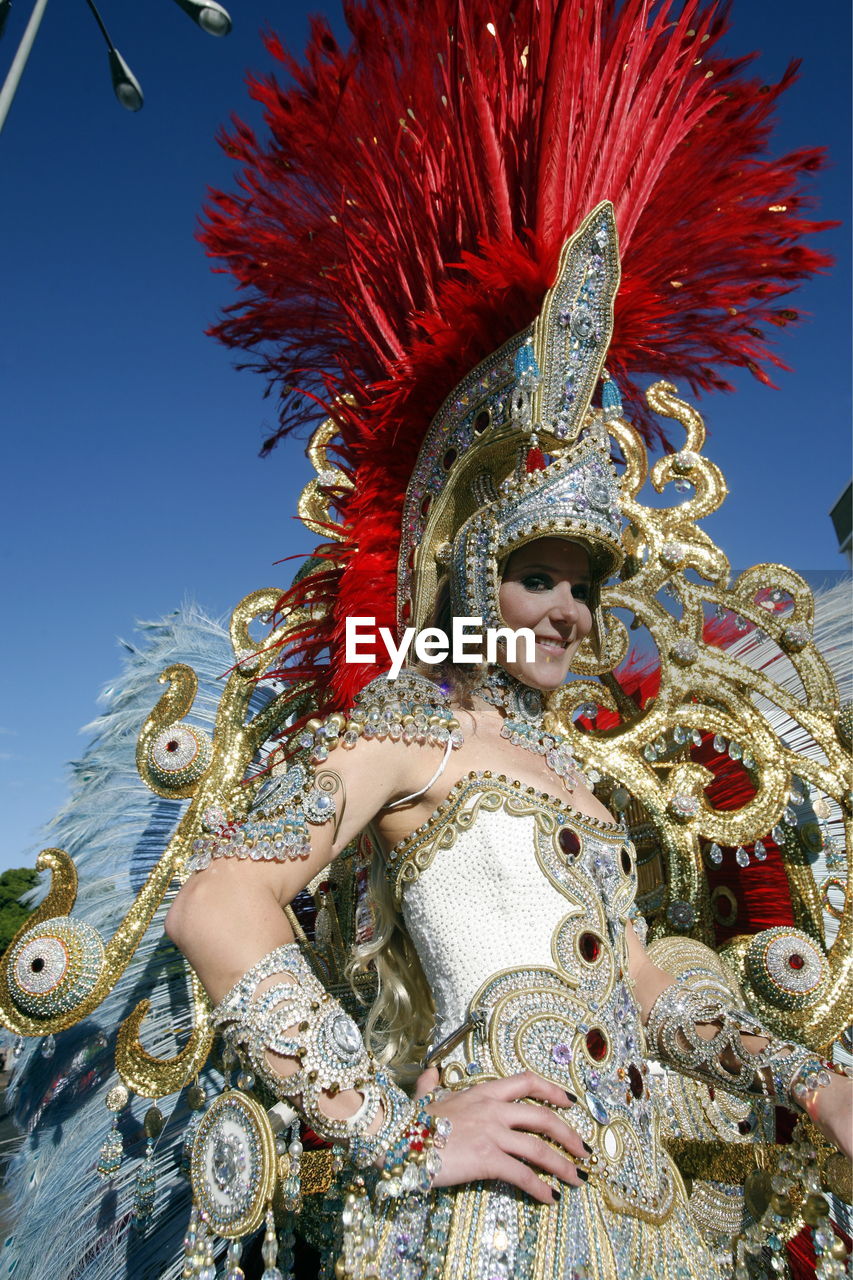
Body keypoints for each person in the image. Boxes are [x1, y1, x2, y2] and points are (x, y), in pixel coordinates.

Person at [164, 205, 852, 1280]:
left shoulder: (577, 777)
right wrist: (394, 1128)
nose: (569, 610)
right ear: (475, 576)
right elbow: (215, 902)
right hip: (492, 1220)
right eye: (540, 575)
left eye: (585, 587)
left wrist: (816, 1082)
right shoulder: (411, 732)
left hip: (644, 1219)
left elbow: (632, 979)